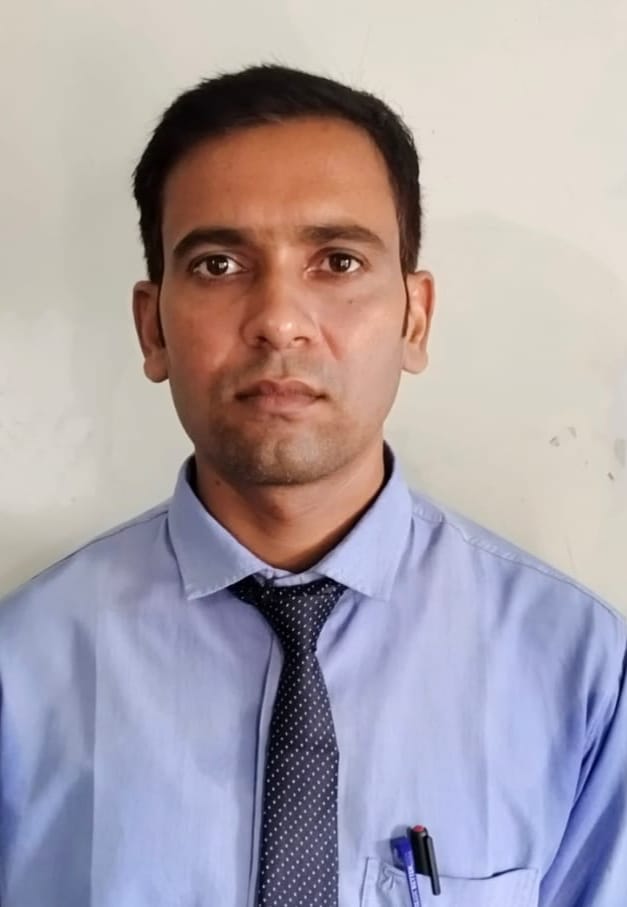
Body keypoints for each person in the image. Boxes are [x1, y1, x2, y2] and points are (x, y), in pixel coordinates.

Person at [0, 64, 625, 907]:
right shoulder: (22, 669)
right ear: (152, 328)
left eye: (337, 260)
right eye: (219, 263)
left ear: (414, 317)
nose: (279, 320)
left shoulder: (578, 669)